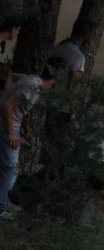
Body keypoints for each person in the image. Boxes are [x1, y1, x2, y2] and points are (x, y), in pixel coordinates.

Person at [0, 58, 61, 219]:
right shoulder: (34, 85)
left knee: (6, 167)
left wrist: (7, 86)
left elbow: (12, 76)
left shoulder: (32, 79)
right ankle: (1, 208)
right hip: (7, 127)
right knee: (11, 170)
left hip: (9, 126)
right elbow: (6, 105)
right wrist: (11, 133)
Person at [50, 17, 94, 122]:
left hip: (48, 100)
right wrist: (72, 111)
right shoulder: (78, 56)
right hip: (62, 108)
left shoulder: (58, 47)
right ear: (86, 34)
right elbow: (72, 86)